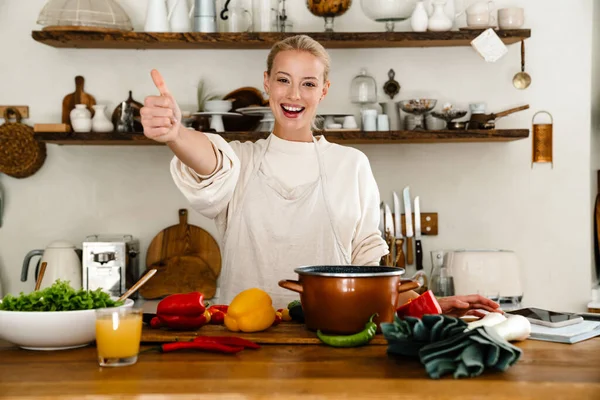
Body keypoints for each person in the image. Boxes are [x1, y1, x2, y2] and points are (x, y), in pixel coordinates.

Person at [141, 34, 501, 317]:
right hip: (245, 339)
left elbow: (369, 267)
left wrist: (431, 304)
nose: (294, 94)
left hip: (333, 333)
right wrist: (176, 134)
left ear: (324, 90)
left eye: (308, 83)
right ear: (266, 83)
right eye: (283, 80)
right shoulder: (241, 160)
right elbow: (210, 160)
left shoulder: (350, 165)